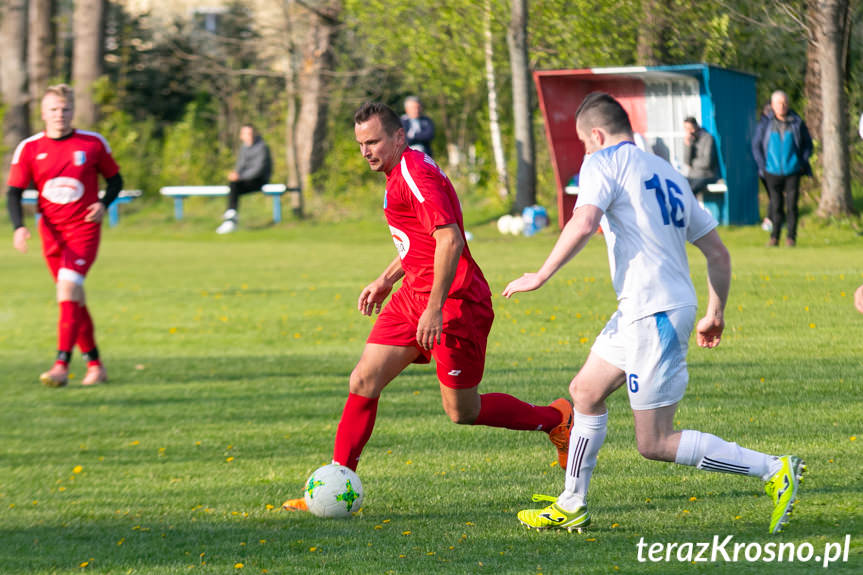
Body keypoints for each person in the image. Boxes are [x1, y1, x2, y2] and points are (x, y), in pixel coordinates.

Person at [504, 92, 803, 535]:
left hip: (655, 313)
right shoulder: (667, 172)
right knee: (585, 391)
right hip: (646, 308)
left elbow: (583, 221)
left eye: (585, 143)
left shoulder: (602, 162)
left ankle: (773, 469)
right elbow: (717, 253)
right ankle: (571, 503)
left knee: (655, 441)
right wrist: (715, 311)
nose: (585, 151)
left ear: (597, 136)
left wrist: (541, 274)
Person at [282, 102, 572, 511]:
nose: (366, 150)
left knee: (463, 411)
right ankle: (336, 483)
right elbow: (422, 240)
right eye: (361, 144)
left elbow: (450, 239)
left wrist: (433, 309)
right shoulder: (402, 168)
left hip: (455, 303)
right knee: (363, 381)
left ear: (399, 137)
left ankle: (556, 419)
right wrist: (387, 279)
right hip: (413, 297)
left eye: (374, 141)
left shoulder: (414, 174)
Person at [6, 84, 123, 387]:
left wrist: (104, 203)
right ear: (43, 114)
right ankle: (96, 366)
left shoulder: (92, 143)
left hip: (83, 230)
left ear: (73, 111)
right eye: (54, 110)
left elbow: (115, 180)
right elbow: (14, 193)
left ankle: (61, 364)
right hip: (51, 234)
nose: (60, 115)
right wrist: (19, 227)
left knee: (67, 291)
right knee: (75, 300)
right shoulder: (29, 148)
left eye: (65, 109)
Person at [752, 91, 813, 247]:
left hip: (793, 170)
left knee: (792, 206)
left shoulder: (797, 123)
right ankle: (774, 237)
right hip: (771, 171)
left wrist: (801, 163)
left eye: (785, 102)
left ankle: (791, 238)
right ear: (772, 105)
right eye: (779, 103)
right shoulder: (765, 124)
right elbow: (756, 145)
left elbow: (807, 145)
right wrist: (763, 166)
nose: (782, 106)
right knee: (776, 205)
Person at [216, 123, 272, 234]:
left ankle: (231, 215)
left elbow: (259, 169)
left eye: (250, 133)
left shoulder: (262, 147)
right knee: (233, 184)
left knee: (235, 185)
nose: (248, 135)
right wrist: (235, 174)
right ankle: (231, 217)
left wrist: (240, 177)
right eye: (246, 133)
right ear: (241, 136)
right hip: (244, 180)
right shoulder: (244, 148)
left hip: (259, 180)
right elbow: (240, 165)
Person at [682, 117, 719, 195]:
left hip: (706, 175)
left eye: (690, 128)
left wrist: (693, 163)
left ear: (696, 126)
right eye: (686, 129)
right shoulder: (690, 140)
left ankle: (691, 207)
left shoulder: (708, 138)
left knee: (691, 191)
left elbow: (707, 162)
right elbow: (687, 162)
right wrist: (688, 145)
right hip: (692, 175)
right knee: (681, 187)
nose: (689, 131)